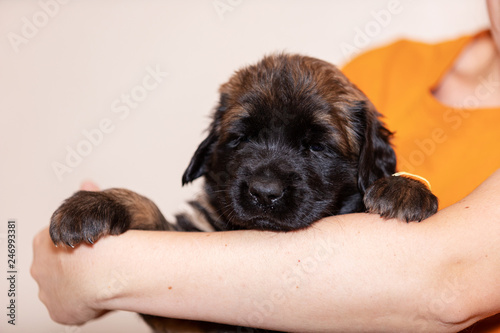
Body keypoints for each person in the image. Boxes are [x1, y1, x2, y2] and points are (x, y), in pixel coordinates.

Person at [32, 1, 500, 331]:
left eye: (316, 146)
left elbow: (441, 285)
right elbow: (175, 300)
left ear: (368, 163)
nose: (267, 180)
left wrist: (107, 276)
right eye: (243, 136)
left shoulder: (368, 160)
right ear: (212, 149)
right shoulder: (385, 67)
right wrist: (121, 210)